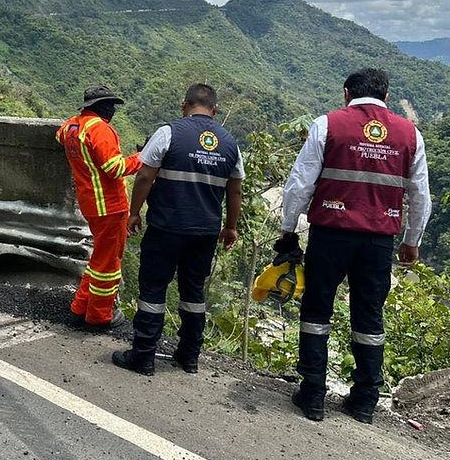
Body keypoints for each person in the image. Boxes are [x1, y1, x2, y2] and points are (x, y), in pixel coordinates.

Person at [280, 68, 431, 424]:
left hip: (331, 234)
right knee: (369, 315)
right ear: (387, 97)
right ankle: (364, 401)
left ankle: (313, 394)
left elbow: (300, 183)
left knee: (317, 310)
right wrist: (412, 241)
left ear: (346, 93)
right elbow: (420, 194)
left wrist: (288, 229)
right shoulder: (410, 134)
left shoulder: (328, 124)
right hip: (379, 240)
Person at [112, 83, 243, 376]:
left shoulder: (169, 132)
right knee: (193, 293)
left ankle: (143, 356)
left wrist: (134, 213)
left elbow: (145, 175)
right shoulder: (230, 143)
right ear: (215, 110)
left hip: (167, 227)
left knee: (153, 289)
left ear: (184, 105)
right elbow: (235, 192)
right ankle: (189, 357)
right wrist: (230, 227)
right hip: (206, 232)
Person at [57, 85, 142, 329]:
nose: (113, 110)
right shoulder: (101, 130)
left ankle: (79, 307)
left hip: (90, 203)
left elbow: (59, 136)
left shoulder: (71, 127)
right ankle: (98, 316)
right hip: (110, 206)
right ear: (101, 107)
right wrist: (142, 157)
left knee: (99, 259)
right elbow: (114, 168)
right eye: (110, 105)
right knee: (109, 265)